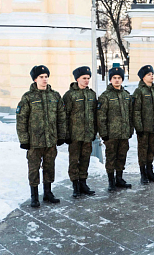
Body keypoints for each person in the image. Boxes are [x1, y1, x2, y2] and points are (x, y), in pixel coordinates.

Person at [16, 65, 66, 208]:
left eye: (46, 77)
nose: (44, 80)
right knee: (34, 169)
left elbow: (61, 118)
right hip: (34, 142)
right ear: (35, 79)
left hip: (51, 140)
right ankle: (34, 196)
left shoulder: (55, 96)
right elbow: (21, 120)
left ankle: (48, 193)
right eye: (41, 77)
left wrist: (61, 136)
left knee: (49, 167)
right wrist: (24, 140)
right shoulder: (28, 97)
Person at [97, 67, 134, 192]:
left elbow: (130, 115)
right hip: (111, 134)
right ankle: (111, 181)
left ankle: (119, 178)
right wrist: (104, 134)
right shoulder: (105, 96)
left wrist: (130, 130)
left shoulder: (126, 95)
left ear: (122, 79)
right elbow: (101, 117)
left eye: (119, 78)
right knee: (111, 157)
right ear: (110, 80)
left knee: (122, 156)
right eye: (114, 78)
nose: (117, 80)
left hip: (124, 133)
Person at [63, 66, 97, 198]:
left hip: (87, 135)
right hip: (74, 135)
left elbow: (95, 115)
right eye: (84, 78)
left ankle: (83, 183)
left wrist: (94, 131)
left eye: (88, 78)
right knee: (74, 161)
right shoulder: (70, 95)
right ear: (77, 79)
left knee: (85, 160)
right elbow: (64, 116)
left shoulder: (91, 94)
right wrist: (66, 134)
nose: (87, 81)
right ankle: (75, 185)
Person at [132, 65, 154, 184]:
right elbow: (136, 111)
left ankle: (150, 171)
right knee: (143, 150)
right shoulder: (139, 91)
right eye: (148, 74)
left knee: (152, 149)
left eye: (152, 74)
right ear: (143, 78)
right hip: (144, 128)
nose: (151, 76)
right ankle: (143, 173)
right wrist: (139, 127)